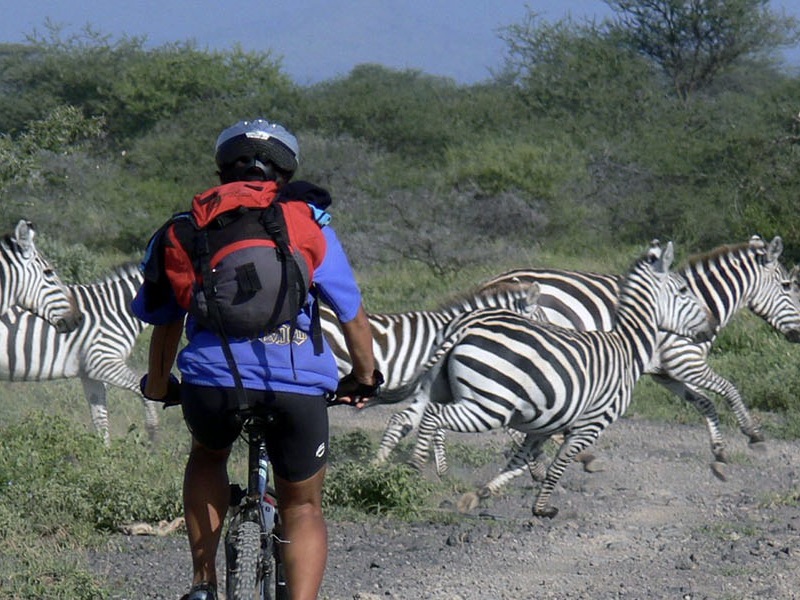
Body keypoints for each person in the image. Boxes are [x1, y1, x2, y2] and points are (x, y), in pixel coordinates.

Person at [132, 118, 383, 600]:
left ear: (223, 170)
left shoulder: (187, 228)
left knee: (208, 456)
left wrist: (160, 387)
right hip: (297, 386)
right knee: (303, 506)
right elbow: (351, 313)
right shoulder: (308, 225)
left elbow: (165, 322)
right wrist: (364, 378)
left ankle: (204, 584)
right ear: (285, 174)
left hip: (212, 384)